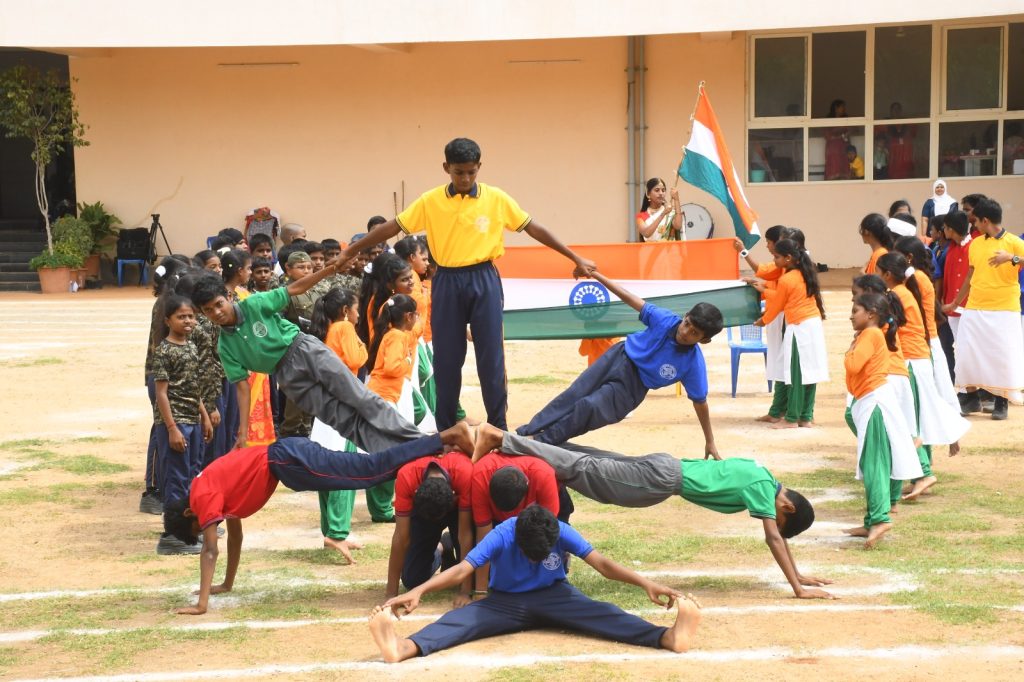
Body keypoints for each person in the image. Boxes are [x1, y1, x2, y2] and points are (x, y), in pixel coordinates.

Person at [336, 137, 597, 432]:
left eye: (471, 172)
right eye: (459, 172)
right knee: (447, 359)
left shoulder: (496, 198)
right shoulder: (430, 200)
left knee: (491, 359)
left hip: (484, 278)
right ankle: (448, 430)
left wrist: (574, 256)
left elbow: (533, 227)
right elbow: (393, 226)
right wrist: (351, 250)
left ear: (479, 168)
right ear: (446, 167)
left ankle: (498, 428)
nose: (465, 178)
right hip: (447, 279)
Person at [471, 424, 833, 599]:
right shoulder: (764, 490)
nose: (775, 523)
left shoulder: (764, 475)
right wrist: (797, 587)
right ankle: (503, 439)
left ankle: (521, 444)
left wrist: (800, 575)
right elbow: (772, 537)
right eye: (782, 519)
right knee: (585, 469)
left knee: (591, 462)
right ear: (786, 506)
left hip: (665, 467)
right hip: (663, 481)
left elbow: (777, 536)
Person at [165, 423, 475, 615]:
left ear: (189, 513)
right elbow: (235, 537)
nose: (207, 529)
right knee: (371, 470)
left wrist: (201, 604)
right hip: (288, 460)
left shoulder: (201, 496)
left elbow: (210, 550)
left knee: (370, 470)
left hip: (288, 461)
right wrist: (225, 584)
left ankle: (446, 437)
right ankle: (439, 446)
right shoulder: (209, 491)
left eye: (199, 527)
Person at [368, 504, 703, 662]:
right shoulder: (504, 532)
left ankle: (667, 637)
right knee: (458, 621)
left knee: (603, 613)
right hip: (504, 602)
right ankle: (403, 648)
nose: (533, 559)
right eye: (530, 554)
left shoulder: (558, 529)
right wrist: (418, 591)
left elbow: (601, 564)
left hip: (555, 595)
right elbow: (462, 569)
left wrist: (645, 583)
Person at [188, 262, 424, 456]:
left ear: (228, 297)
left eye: (219, 304)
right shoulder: (225, 347)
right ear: (202, 313)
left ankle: (418, 443)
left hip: (304, 350)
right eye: (208, 310)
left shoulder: (254, 304)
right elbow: (242, 388)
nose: (217, 312)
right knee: (341, 419)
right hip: (286, 376)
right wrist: (243, 431)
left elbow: (295, 289)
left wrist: (328, 270)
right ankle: (395, 453)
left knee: (359, 398)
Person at [516, 271, 723, 454]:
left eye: (694, 333)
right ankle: (524, 433)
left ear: (703, 340)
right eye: (687, 324)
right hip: (618, 356)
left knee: (589, 407)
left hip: (633, 387)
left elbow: (700, 402)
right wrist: (596, 275)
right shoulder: (665, 319)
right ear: (685, 316)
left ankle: (538, 442)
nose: (685, 332)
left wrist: (710, 440)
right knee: (573, 394)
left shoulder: (693, 363)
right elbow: (630, 298)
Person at [876, 253, 969, 494]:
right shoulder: (904, 292)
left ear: (887, 274)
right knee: (916, 417)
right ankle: (920, 473)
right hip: (916, 359)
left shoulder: (897, 295)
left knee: (909, 419)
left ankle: (923, 473)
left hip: (911, 361)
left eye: (878, 272)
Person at [842, 293, 922, 548]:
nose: (851, 315)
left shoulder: (871, 335)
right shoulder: (872, 334)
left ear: (872, 314)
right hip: (869, 400)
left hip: (874, 402)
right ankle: (871, 520)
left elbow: (853, 365)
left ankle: (879, 518)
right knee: (872, 462)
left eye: (856, 310)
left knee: (875, 464)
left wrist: (850, 349)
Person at [946, 198, 1024, 419]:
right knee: (966, 352)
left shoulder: (1014, 242)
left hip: (1005, 309)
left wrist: (1012, 258)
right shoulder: (976, 244)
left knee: (1001, 356)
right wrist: (955, 302)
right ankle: (970, 399)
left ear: (986, 220)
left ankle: (1001, 402)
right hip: (975, 307)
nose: (974, 226)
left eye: (976, 222)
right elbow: (971, 275)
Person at [306, 287, 368, 561]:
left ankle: (331, 528)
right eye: (355, 308)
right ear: (345, 311)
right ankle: (337, 532)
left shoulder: (331, 329)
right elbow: (356, 359)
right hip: (342, 408)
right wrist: (363, 345)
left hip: (329, 408)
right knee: (345, 467)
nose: (358, 314)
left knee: (327, 468)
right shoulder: (343, 327)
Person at [152, 294, 213, 555]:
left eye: (190, 316)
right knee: (176, 479)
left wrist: (205, 415)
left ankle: (189, 527)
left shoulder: (191, 346)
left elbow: (193, 385)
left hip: (193, 420)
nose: (187, 321)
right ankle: (172, 535)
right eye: (181, 317)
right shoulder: (164, 351)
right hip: (176, 422)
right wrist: (171, 428)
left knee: (192, 475)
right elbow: (162, 393)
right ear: (168, 320)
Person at [751, 239, 829, 428]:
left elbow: (778, 304)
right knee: (810, 372)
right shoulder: (807, 273)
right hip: (812, 325)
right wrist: (765, 289)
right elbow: (785, 298)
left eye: (777, 257)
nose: (774, 260)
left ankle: (792, 418)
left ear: (788, 258)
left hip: (799, 328)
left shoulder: (787, 279)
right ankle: (806, 416)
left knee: (796, 373)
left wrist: (762, 321)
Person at [385, 450, 475, 606]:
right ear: (416, 491)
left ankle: (451, 543)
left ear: (453, 493)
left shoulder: (465, 472)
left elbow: (465, 534)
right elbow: (401, 537)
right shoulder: (407, 476)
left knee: (472, 574)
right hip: (425, 511)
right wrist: (391, 594)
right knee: (413, 579)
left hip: (458, 511)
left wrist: (465, 591)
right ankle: (442, 547)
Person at [141, 256, 194, 515]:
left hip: (175, 376)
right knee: (160, 430)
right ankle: (152, 489)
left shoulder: (176, 303)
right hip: (162, 374)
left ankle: (164, 487)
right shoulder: (167, 305)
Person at [365, 294, 421, 523]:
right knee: (388, 452)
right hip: (385, 396)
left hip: (389, 395)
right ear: (408, 316)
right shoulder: (397, 336)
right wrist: (408, 361)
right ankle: (381, 507)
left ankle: (384, 503)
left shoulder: (396, 333)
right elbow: (391, 367)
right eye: (415, 315)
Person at [740, 226, 797, 423]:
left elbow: (775, 287)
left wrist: (764, 318)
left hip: (783, 317)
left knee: (784, 363)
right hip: (778, 315)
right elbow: (768, 278)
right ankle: (778, 409)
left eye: (769, 242)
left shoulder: (791, 272)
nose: (768, 246)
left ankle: (788, 411)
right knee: (778, 362)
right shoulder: (784, 267)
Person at [636, 177, 683, 242]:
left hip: (668, 251)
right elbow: (646, 233)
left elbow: (678, 226)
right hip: (649, 251)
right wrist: (663, 214)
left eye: (663, 190)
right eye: (657, 190)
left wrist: (676, 200)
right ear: (648, 194)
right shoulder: (642, 215)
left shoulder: (669, 213)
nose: (661, 193)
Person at [824, 99, 850, 180]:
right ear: (836, 107)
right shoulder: (828, 119)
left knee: (844, 165)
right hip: (833, 148)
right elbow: (827, 135)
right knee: (834, 166)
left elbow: (852, 130)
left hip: (844, 147)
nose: (844, 109)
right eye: (842, 107)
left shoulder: (846, 119)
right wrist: (839, 134)